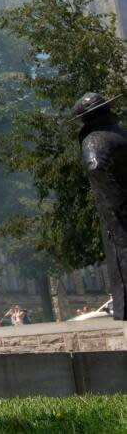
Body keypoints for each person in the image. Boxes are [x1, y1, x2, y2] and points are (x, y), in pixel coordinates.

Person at [72, 92, 127, 321]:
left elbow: (96, 168)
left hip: (118, 214)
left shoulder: (94, 138)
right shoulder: (118, 133)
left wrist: (120, 201)